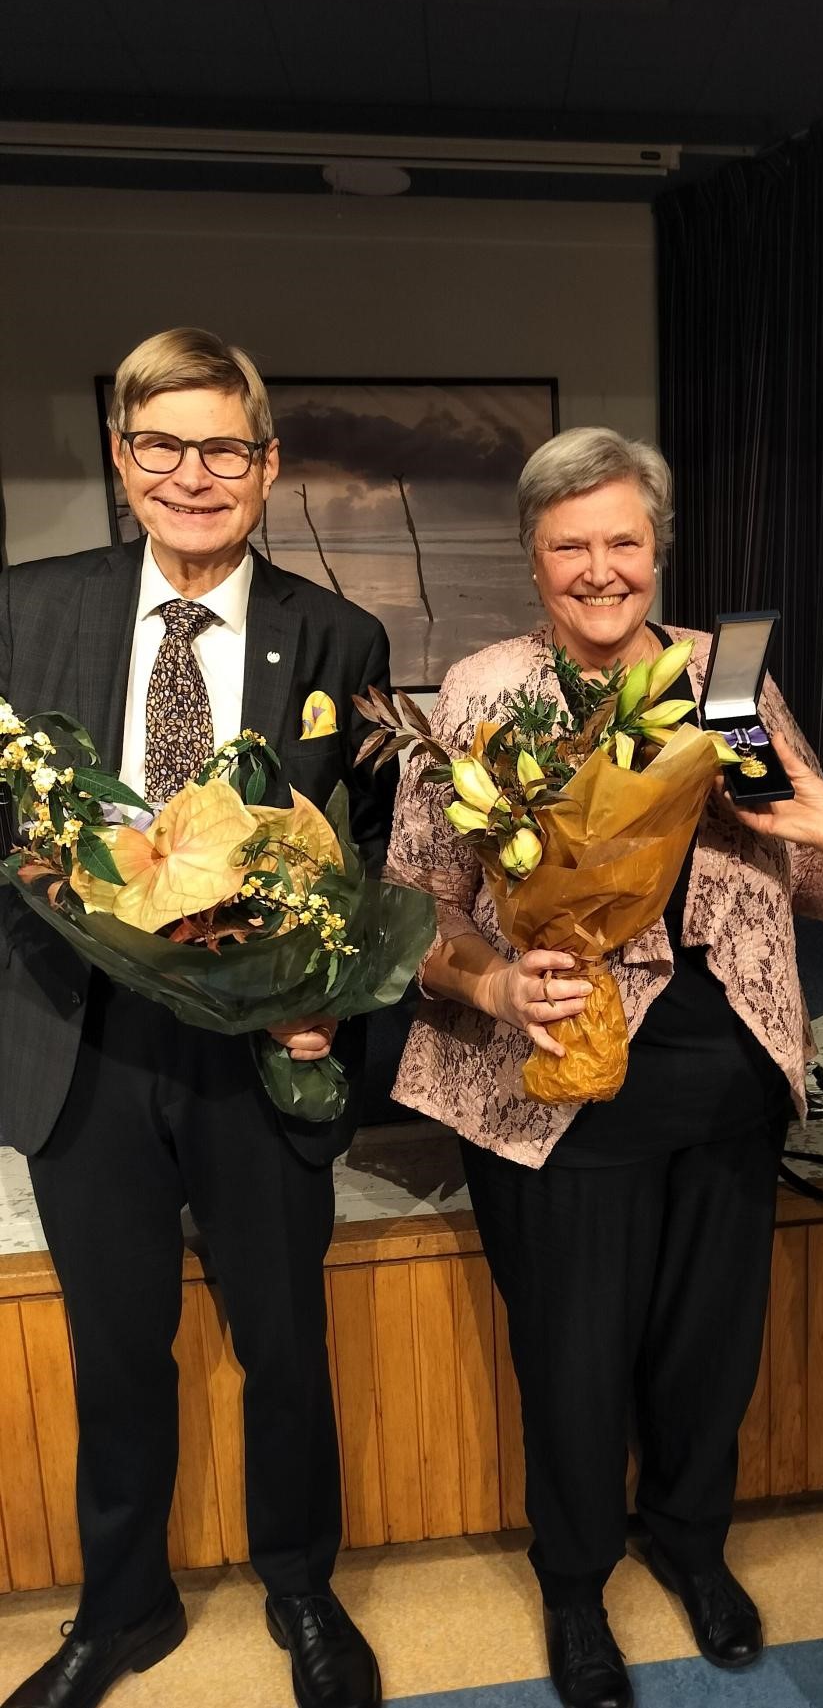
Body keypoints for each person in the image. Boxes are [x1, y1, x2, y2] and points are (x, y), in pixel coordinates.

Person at [384, 425, 823, 1708]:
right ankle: (573, 1583)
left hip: (727, 1070)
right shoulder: (485, 692)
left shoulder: (729, 681)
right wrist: (488, 977)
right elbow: (414, 905)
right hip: (556, 1083)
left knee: (709, 1347)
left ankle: (689, 1540)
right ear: (533, 557)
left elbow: (814, 863)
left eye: (624, 542)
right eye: (570, 546)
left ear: (658, 550)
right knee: (574, 1354)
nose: (600, 570)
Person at [0, 328, 395, 1708]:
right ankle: (123, 1609)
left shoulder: (337, 637)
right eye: (161, 445)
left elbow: (370, 858)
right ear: (120, 458)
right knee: (116, 1350)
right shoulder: (26, 608)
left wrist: (328, 1012)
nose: (193, 474)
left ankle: (298, 1586)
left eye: (223, 446)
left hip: (254, 1053)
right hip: (83, 1052)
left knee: (284, 1343)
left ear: (267, 464)